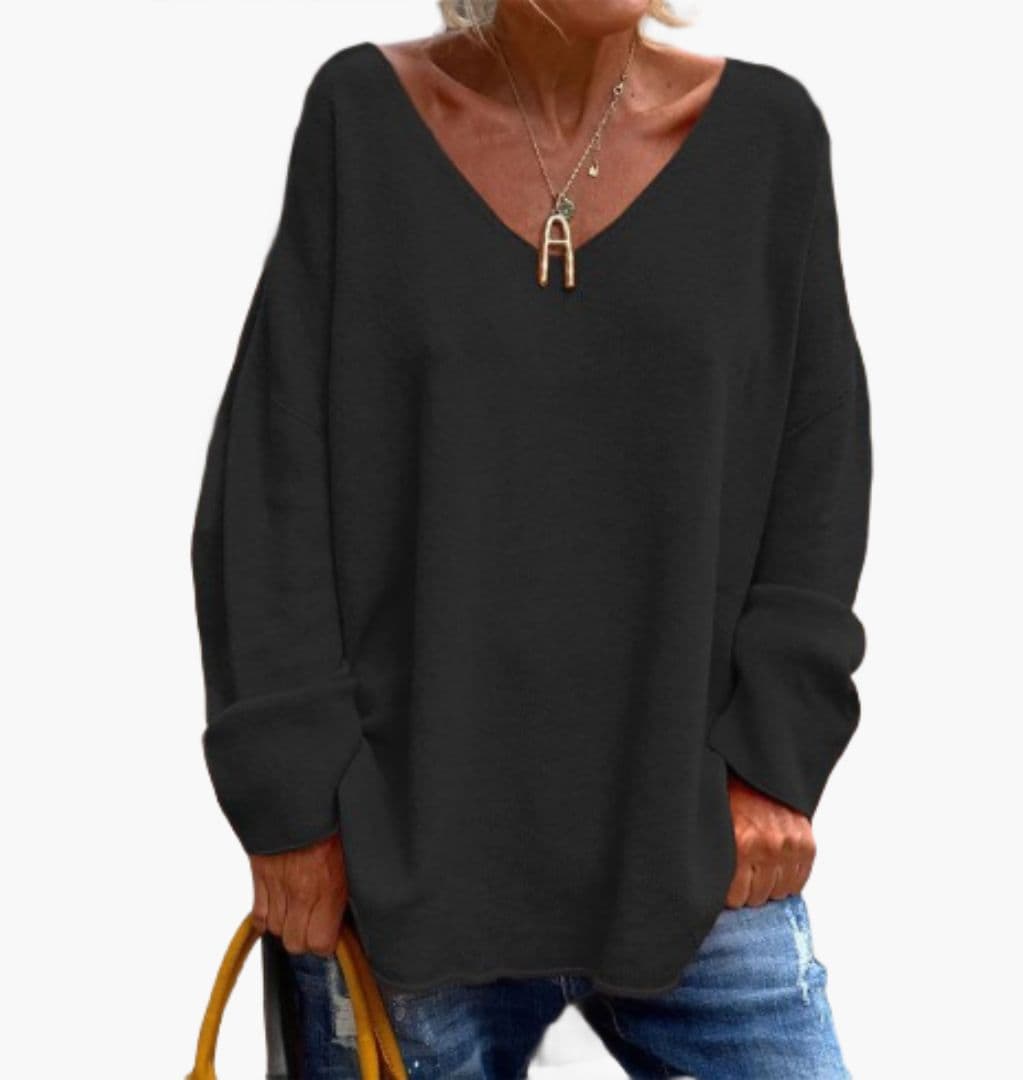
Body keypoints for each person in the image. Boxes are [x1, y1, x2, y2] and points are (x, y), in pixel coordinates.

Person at [190, 1, 872, 1076]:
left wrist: (776, 764)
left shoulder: (769, 138)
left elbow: (819, 472)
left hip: (694, 859)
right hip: (399, 872)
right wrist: (290, 810)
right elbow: (271, 489)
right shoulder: (362, 118)